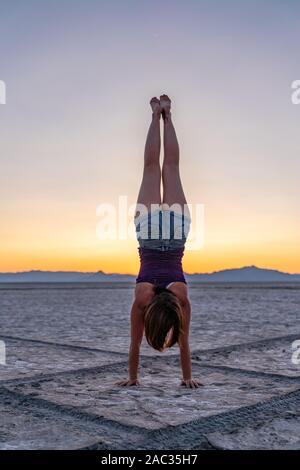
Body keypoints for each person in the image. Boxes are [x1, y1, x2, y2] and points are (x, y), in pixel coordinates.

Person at [116, 95, 202, 388]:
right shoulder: (142, 301)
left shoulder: (181, 301)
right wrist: (133, 378)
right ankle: (156, 115)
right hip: (149, 232)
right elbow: (135, 345)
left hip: (176, 233)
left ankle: (168, 115)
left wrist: (188, 377)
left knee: (172, 167)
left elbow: (184, 344)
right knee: (152, 167)